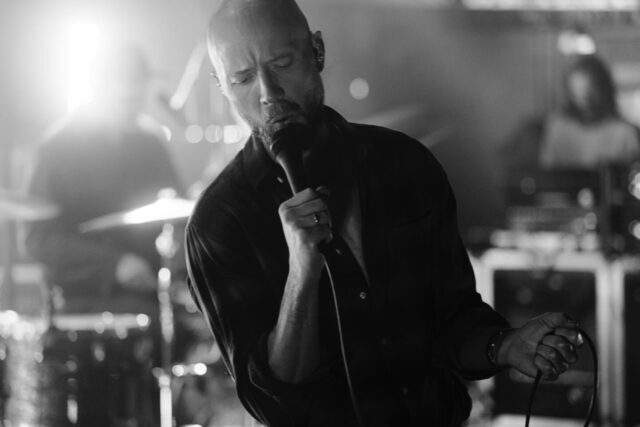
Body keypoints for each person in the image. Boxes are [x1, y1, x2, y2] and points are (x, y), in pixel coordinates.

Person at [185, 1, 583, 426]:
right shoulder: (219, 223)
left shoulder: (405, 164)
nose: (268, 93)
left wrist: (505, 345)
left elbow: (451, 316)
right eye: (242, 78)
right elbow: (273, 399)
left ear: (317, 51)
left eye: (282, 63)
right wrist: (302, 273)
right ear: (221, 85)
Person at [25, 42, 184, 315]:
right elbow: (39, 239)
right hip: (85, 300)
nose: (134, 107)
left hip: (153, 293)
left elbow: (180, 214)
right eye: (125, 99)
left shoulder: (150, 144)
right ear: (97, 87)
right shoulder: (58, 147)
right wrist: (113, 264)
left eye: (137, 98)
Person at [503, 54, 640, 171]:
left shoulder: (624, 133)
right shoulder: (558, 128)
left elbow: (632, 180)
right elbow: (548, 174)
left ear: (603, 90)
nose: (584, 104)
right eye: (577, 95)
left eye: (589, 95)